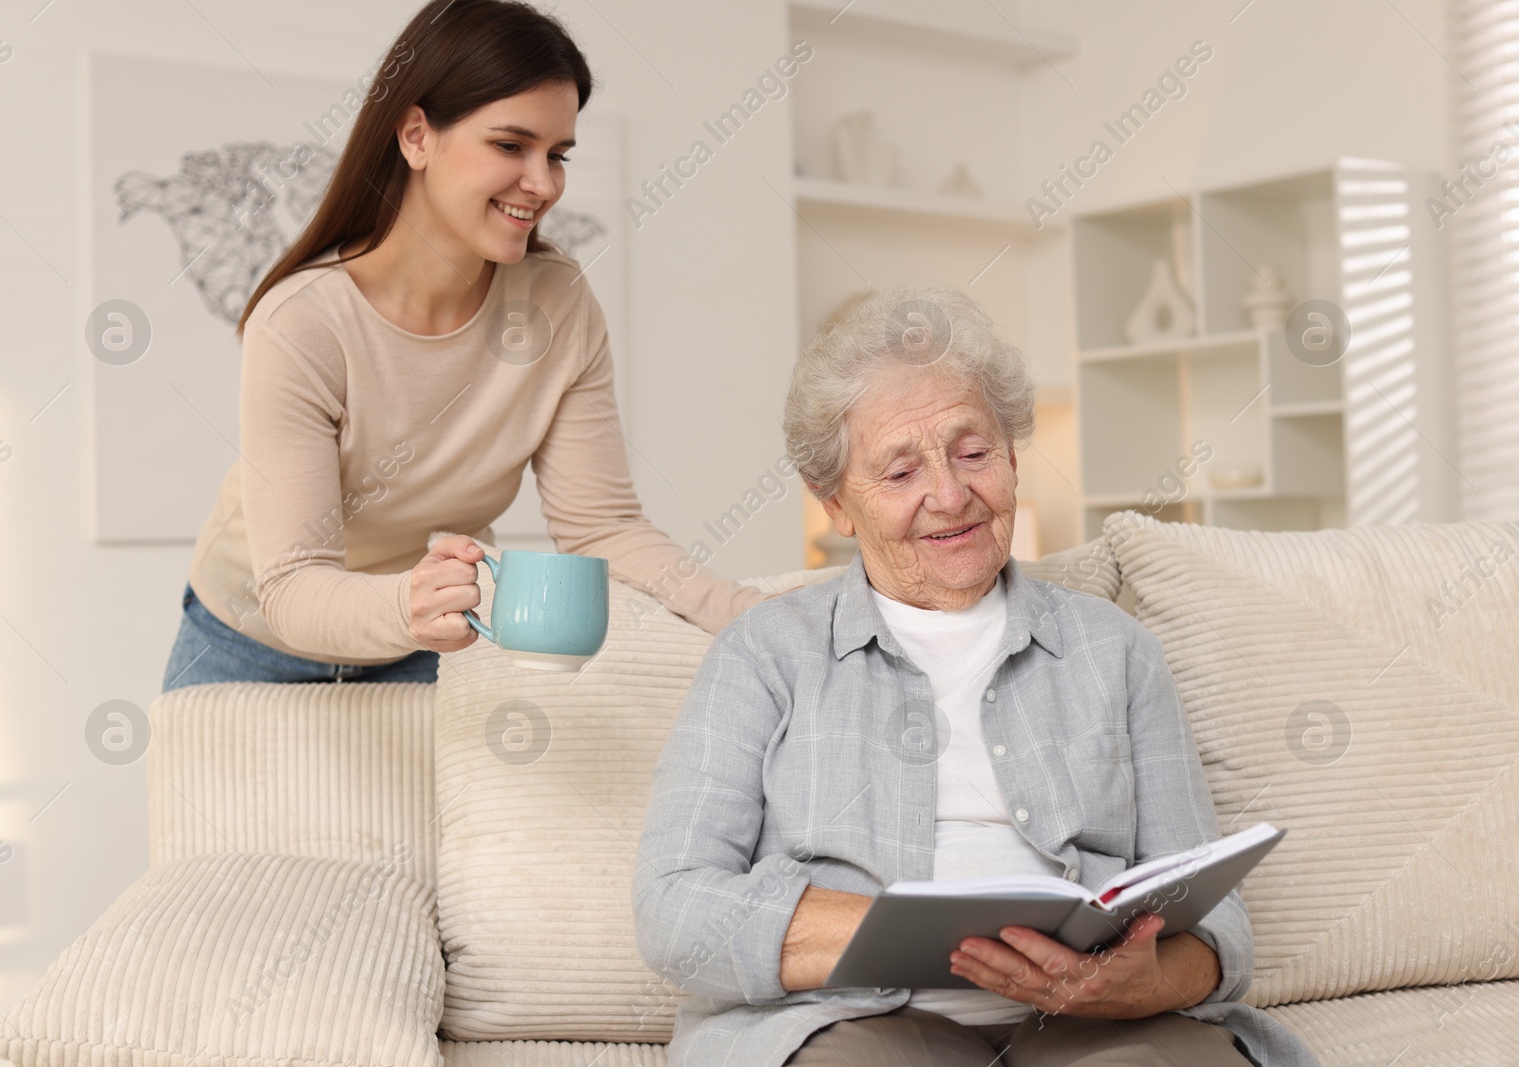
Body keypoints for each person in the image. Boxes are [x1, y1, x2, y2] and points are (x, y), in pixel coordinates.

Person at [632, 288, 1320, 1067]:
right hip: (851, 1023)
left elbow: (1219, 922)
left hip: (1097, 1026)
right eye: (900, 471)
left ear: (1014, 457)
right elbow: (673, 908)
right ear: (838, 506)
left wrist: (1145, 981)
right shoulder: (764, 654)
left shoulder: (1115, 651)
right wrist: (901, 935)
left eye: (972, 452)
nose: (951, 495)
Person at [162, 0, 771, 692]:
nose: (542, 184)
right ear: (417, 136)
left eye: (557, 155)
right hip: (249, 645)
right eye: (511, 146)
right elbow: (294, 584)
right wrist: (411, 602)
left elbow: (602, 528)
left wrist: (748, 612)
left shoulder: (557, 305)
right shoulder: (304, 322)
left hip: (425, 647)